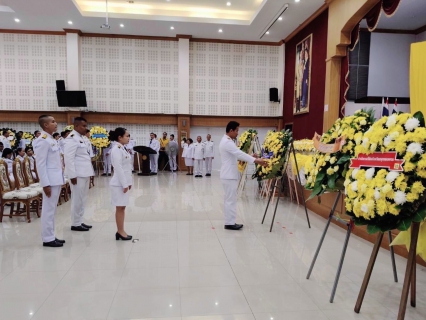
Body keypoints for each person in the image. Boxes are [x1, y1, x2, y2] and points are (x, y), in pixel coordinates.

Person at [219, 121, 268, 230]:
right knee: (230, 200)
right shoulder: (227, 142)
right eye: (236, 130)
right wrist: (256, 160)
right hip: (229, 175)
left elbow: (236, 155)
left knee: (229, 199)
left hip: (228, 175)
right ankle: (230, 223)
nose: (237, 133)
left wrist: (251, 156)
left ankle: (229, 221)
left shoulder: (227, 141)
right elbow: (238, 154)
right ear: (231, 130)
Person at [33, 115, 65, 247]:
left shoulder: (51, 139)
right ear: (45, 125)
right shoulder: (43, 140)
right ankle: (47, 238)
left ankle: (51, 235)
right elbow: (40, 164)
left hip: (56, 179)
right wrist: (45, 184)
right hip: (50, 181)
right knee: (48, 210)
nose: (55, 123)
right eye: (52, 122)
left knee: (52, 209)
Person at [64, 117, 95, 232]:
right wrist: (72, 176)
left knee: (83, 198)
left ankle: (80, 220)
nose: (85, 128)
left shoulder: (80, 138)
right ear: (76, 126)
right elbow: (69, 158)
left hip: (84, 172)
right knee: (77, 198)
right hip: (77, 175)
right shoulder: (71, 139)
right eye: (83, 126)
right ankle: (75, 223)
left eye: (86, 126)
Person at [109, 127, 133, 241]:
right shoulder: (116, 149)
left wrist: (129, 182)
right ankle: (120, 231)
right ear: (120, 137)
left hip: (123, 182)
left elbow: (127, 167)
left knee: (122, 207)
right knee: (120, 208)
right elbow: (118, 168)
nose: (128, 138)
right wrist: (124, 184)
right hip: (118, 183)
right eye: (127, 136)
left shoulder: (122, 148)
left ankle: (120, 230)